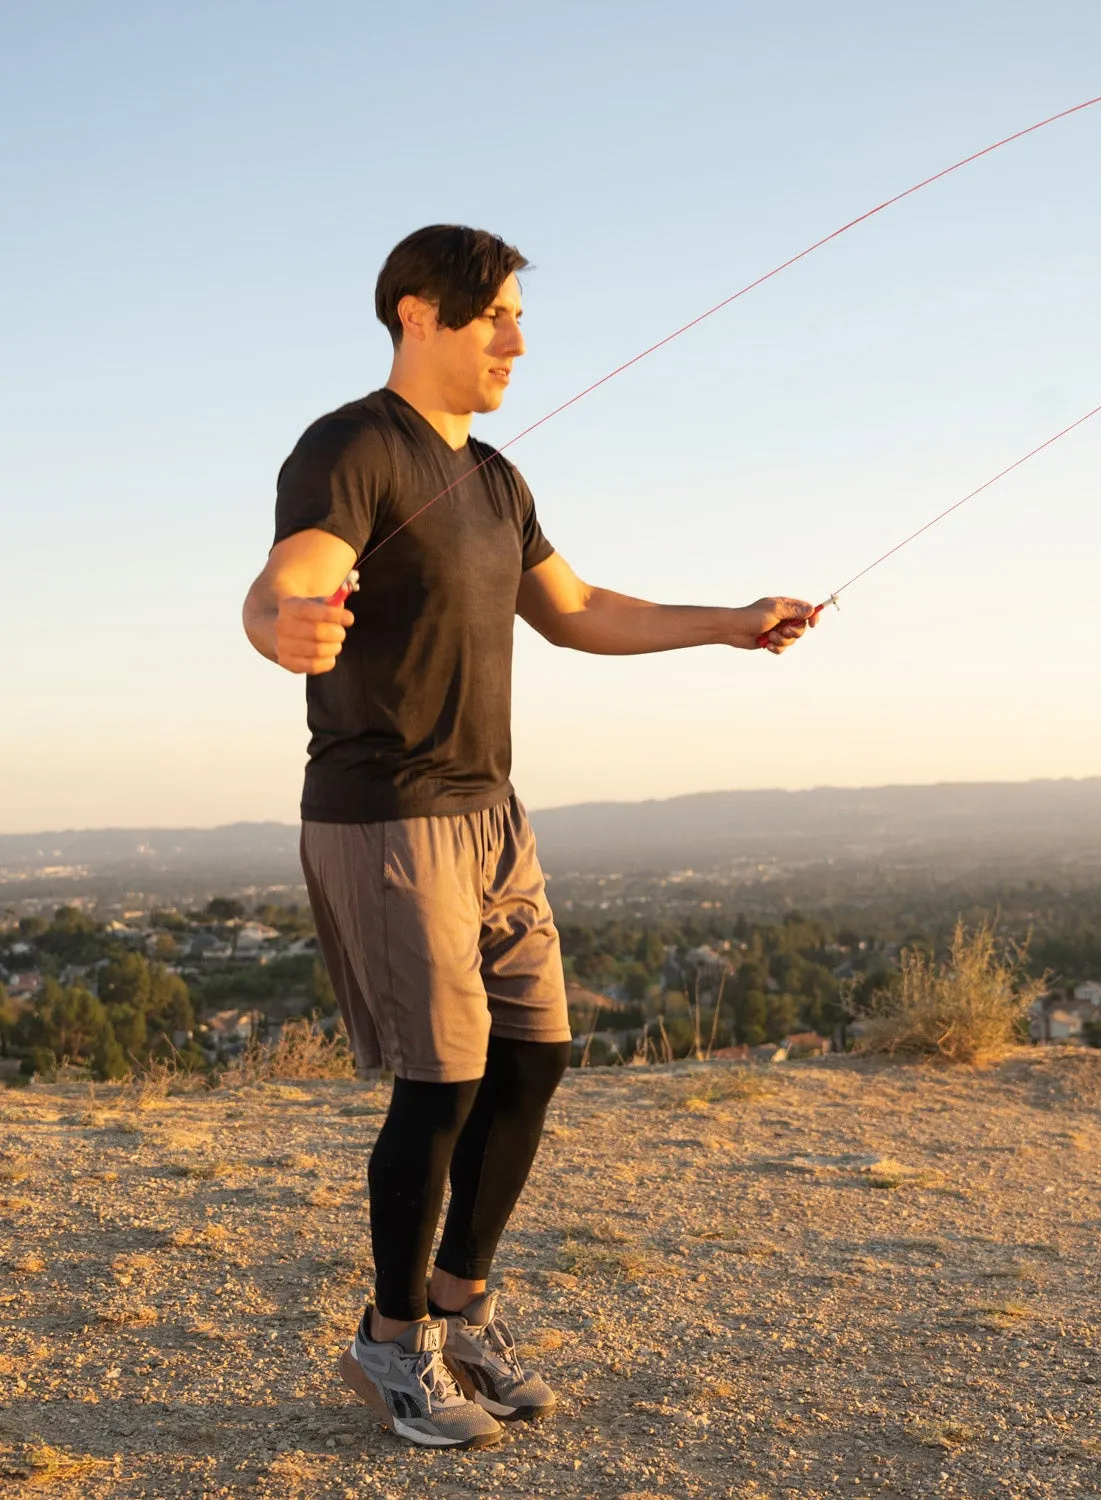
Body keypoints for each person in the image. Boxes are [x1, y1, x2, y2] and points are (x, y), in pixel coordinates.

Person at [241, 224, 815, 1450]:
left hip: (491, 813)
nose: (516, 337)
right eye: (492, 313)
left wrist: (730, 621)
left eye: (515, 315)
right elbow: (296, 570)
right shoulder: (351, 447)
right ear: (415, 314)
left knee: (534, 1058)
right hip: (387, 813)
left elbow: (578, 609)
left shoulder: (497, 476)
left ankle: (459, 1310)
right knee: (440, 1083)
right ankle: (390, 1345)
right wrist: (281, 620)